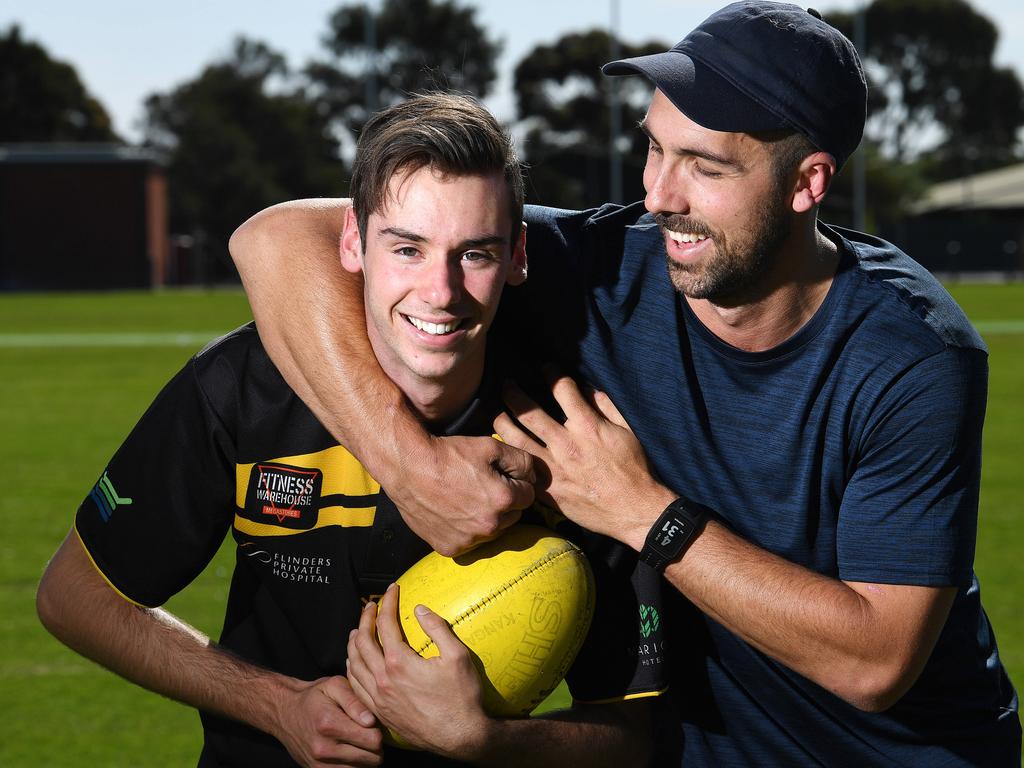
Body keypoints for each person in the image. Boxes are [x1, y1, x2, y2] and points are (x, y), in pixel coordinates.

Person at [227, 2, 1022, 765]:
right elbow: (274, 238)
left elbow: (876, 662)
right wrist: (409, 468)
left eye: (705, 166)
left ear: (807, 182)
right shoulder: (605, 270)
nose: (658, 195)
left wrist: (643, 513)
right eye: (655, 147)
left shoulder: (913, 356)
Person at [36, 93, 663, 768]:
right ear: (352, 243)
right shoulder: (245, 385)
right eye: (408, 248)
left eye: (474, 254)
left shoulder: (568, 437)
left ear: (517, 257)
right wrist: (276, 704)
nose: (440, 290)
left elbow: (644, 733)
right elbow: (72, 597)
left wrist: (490, 741)